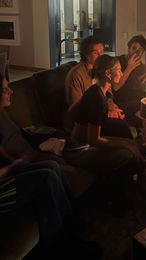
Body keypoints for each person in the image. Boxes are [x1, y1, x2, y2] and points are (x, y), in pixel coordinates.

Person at [0, 74, 101, 258]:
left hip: (8, 170)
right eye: (5, 89)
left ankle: (75, 229)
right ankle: (60, 249)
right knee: (46, 177)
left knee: (52, 167)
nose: (11, 91)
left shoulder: (1, 115)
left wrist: (13, 160)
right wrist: (12, 166)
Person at [64, 55, 144, 176]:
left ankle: (139, 174)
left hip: (85, 143)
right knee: (126, 153)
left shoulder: (98, 91)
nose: (122, 74)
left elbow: (72, 111)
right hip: (79, 151)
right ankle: (130, 182)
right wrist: (124, 144)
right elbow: (93, 139)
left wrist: (128, 143)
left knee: (130, 142)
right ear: (108, 73)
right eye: (119, 70)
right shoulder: (96, 97)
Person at [65, 36, 132, 139]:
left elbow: (108, 95)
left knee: (136, 108)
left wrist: (111, 107)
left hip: (101, 112)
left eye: (102, 52)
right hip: (88, 122)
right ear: (87, 55)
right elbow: (78, 108)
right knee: (122, 127)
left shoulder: (101, 71)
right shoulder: (77, 74)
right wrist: (107, 113)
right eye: (96, 53)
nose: (101, 56)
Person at [112, 35, 146, 126]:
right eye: (134, 48)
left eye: (140, 50)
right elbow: (115, 87)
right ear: (128, 49)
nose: (137, 52)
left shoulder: (141, 67)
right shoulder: (117, 61)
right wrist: (129, 68)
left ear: (143, 52)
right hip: (119, 102)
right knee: (142, 105)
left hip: (134, 100)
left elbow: (141, 88)